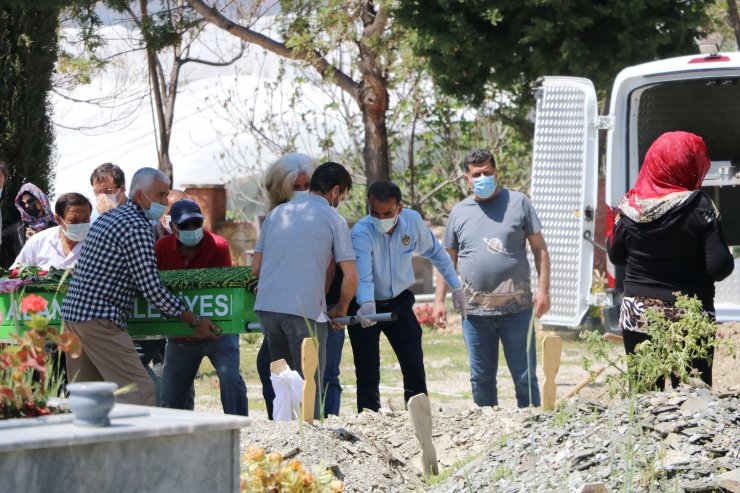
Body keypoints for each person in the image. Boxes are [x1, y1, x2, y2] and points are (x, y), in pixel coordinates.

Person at [61, 167, 221, 406]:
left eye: (166, 195)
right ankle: (139, 444)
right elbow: (151, 287)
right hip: (99, 319)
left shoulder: (110, 218)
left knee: (87, 396)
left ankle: (90, 444)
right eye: (159, 196)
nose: (165, 202)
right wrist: (193, 319)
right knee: (139, 392)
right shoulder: (137, 228)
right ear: (139, 196)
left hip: (73, 317)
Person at [607, 131, 734, 388]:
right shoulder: (700, 206)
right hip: (690, 316)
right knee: (692, 399)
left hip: (638, 314)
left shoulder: (629, 206)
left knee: (644, 395)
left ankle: (641, 430)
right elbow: (719, 267)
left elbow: (615, 254)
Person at [434, 149, 550, 408]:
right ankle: (487, 433)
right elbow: (446, 259)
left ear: (496, 173)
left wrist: (543, 292)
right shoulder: (459, 212)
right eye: (477, 174)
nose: (483, 177)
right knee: (481, 378)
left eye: (487, 172)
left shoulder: (519, 203)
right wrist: (439, 300)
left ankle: (531, 426)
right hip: (474, 313)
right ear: (467, 179)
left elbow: (540, 249)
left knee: (524, 376)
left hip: (517, 311)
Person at [253, 161, 358, 419]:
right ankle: (309, 445)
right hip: (303, 313)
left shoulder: (278, 214)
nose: (339, 201)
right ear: (335, 191)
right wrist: (341, 308)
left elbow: (256, 268)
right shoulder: (334, 218)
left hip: (267, 309)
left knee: (283, 383)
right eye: (341, 196)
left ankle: (285, 439)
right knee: (308, 384)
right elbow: (351, 277)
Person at [348, 181, 465, 412]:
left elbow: (436, 252)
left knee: (413, 361)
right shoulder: (361, 231)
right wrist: (367, 303)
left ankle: (419, 413)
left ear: (399, 209)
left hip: (399, 302)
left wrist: (456, 286)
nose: (381, 218)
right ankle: (369, 418)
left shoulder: (412, 221)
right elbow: (364, 274)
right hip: (365, 305)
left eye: (387, 213)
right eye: (375, 213)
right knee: (367, 367)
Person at [155, 199, 248, 415]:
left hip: (218, 332)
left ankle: (239, 431)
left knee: (231, 380)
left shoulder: (218, 246)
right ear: (174, 226)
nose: (191, 230)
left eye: (196, 224)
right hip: (181, 336)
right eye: (185, 226)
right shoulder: (161, 248)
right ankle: (174, 440)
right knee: (170, 398)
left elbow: (223, 292)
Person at [255, 153, 318, 419]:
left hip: (305, 307)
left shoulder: (314, 217)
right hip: (283, 307)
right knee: (279, 370)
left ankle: (307, 427)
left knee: (303, 374)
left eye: (307, 186)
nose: (302, 192)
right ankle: (285, 425)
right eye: (296, 187)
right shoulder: (277, 218)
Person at [12, 193, 92, 270]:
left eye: (85, 219)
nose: (80, 224)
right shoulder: (38, 242)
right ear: (58, 219)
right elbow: (16, 274)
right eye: (73, 220)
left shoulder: (96, 245)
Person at [2, 183, 57, 266]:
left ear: (41, 201)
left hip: (50, 277)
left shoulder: (55, 228)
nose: (26, 206)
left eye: (30, 201)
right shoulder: (17, 228)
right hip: (23, 277)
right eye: (23, 204)